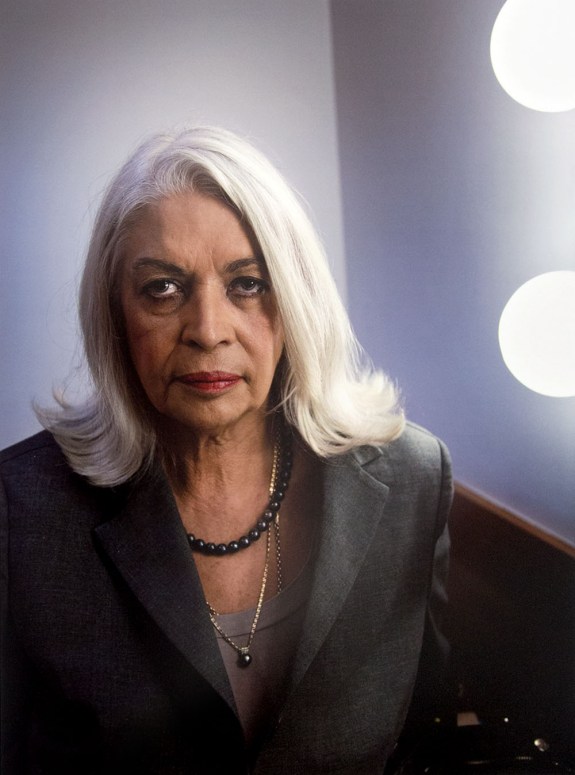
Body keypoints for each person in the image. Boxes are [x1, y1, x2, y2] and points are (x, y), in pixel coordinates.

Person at [0, 126, 453, 774]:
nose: (208, 331)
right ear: (115, 312)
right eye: (162, 288)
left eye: (246, 283)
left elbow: (423, 741)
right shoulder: (21, 509)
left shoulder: (413, 478)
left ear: (295, 298)